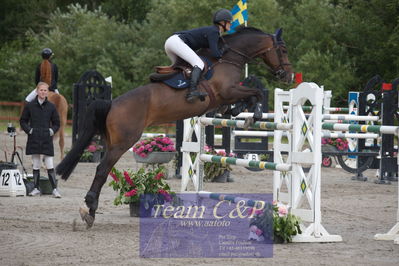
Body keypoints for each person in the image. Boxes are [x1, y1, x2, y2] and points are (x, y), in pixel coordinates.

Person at [164, 8, 233, 103]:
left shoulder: (212, 31)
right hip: (176, 42)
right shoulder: (214, 31)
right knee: (199, 64)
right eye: (229, 22)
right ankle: (192, 91)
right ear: (222, 22)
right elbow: (215, 54)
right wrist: (224, 50)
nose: (231, 24)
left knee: (183, 68)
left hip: (171, 43)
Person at [20, 82, 61, 198]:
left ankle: (54, 189)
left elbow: (57, 123)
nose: (43, 92)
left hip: (46, 139)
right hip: (34, 137)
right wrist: (30, 130)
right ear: (37, 91)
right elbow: (23, 121)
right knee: (36, 164)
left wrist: (51, 131)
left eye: (45, 90)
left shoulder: (52, 107)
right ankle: (36, 188)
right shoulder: (30, 106)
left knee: (49, 164)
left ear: (47, 92)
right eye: (41, 90)